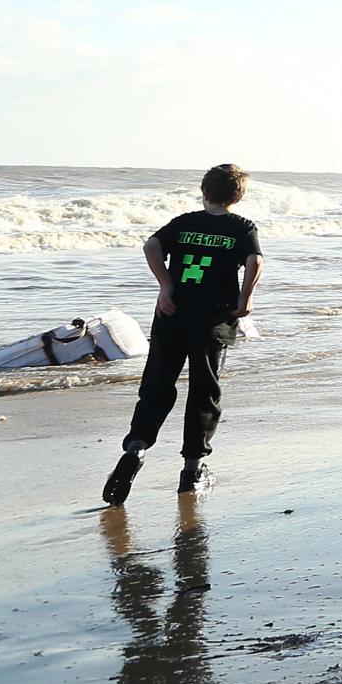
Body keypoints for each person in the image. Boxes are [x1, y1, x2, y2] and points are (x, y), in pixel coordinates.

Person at [102, 163, 262, 503]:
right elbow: (255, 261)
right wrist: (245, 298)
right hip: (219, 318)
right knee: (207, 388)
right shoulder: (242, 226)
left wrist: (165, 286)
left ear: (204, 191)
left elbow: (151, 246)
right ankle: (193, 470)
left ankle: (136, 447)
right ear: (239, 196)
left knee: (157, 383)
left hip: (171, 312)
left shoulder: (185, 222)